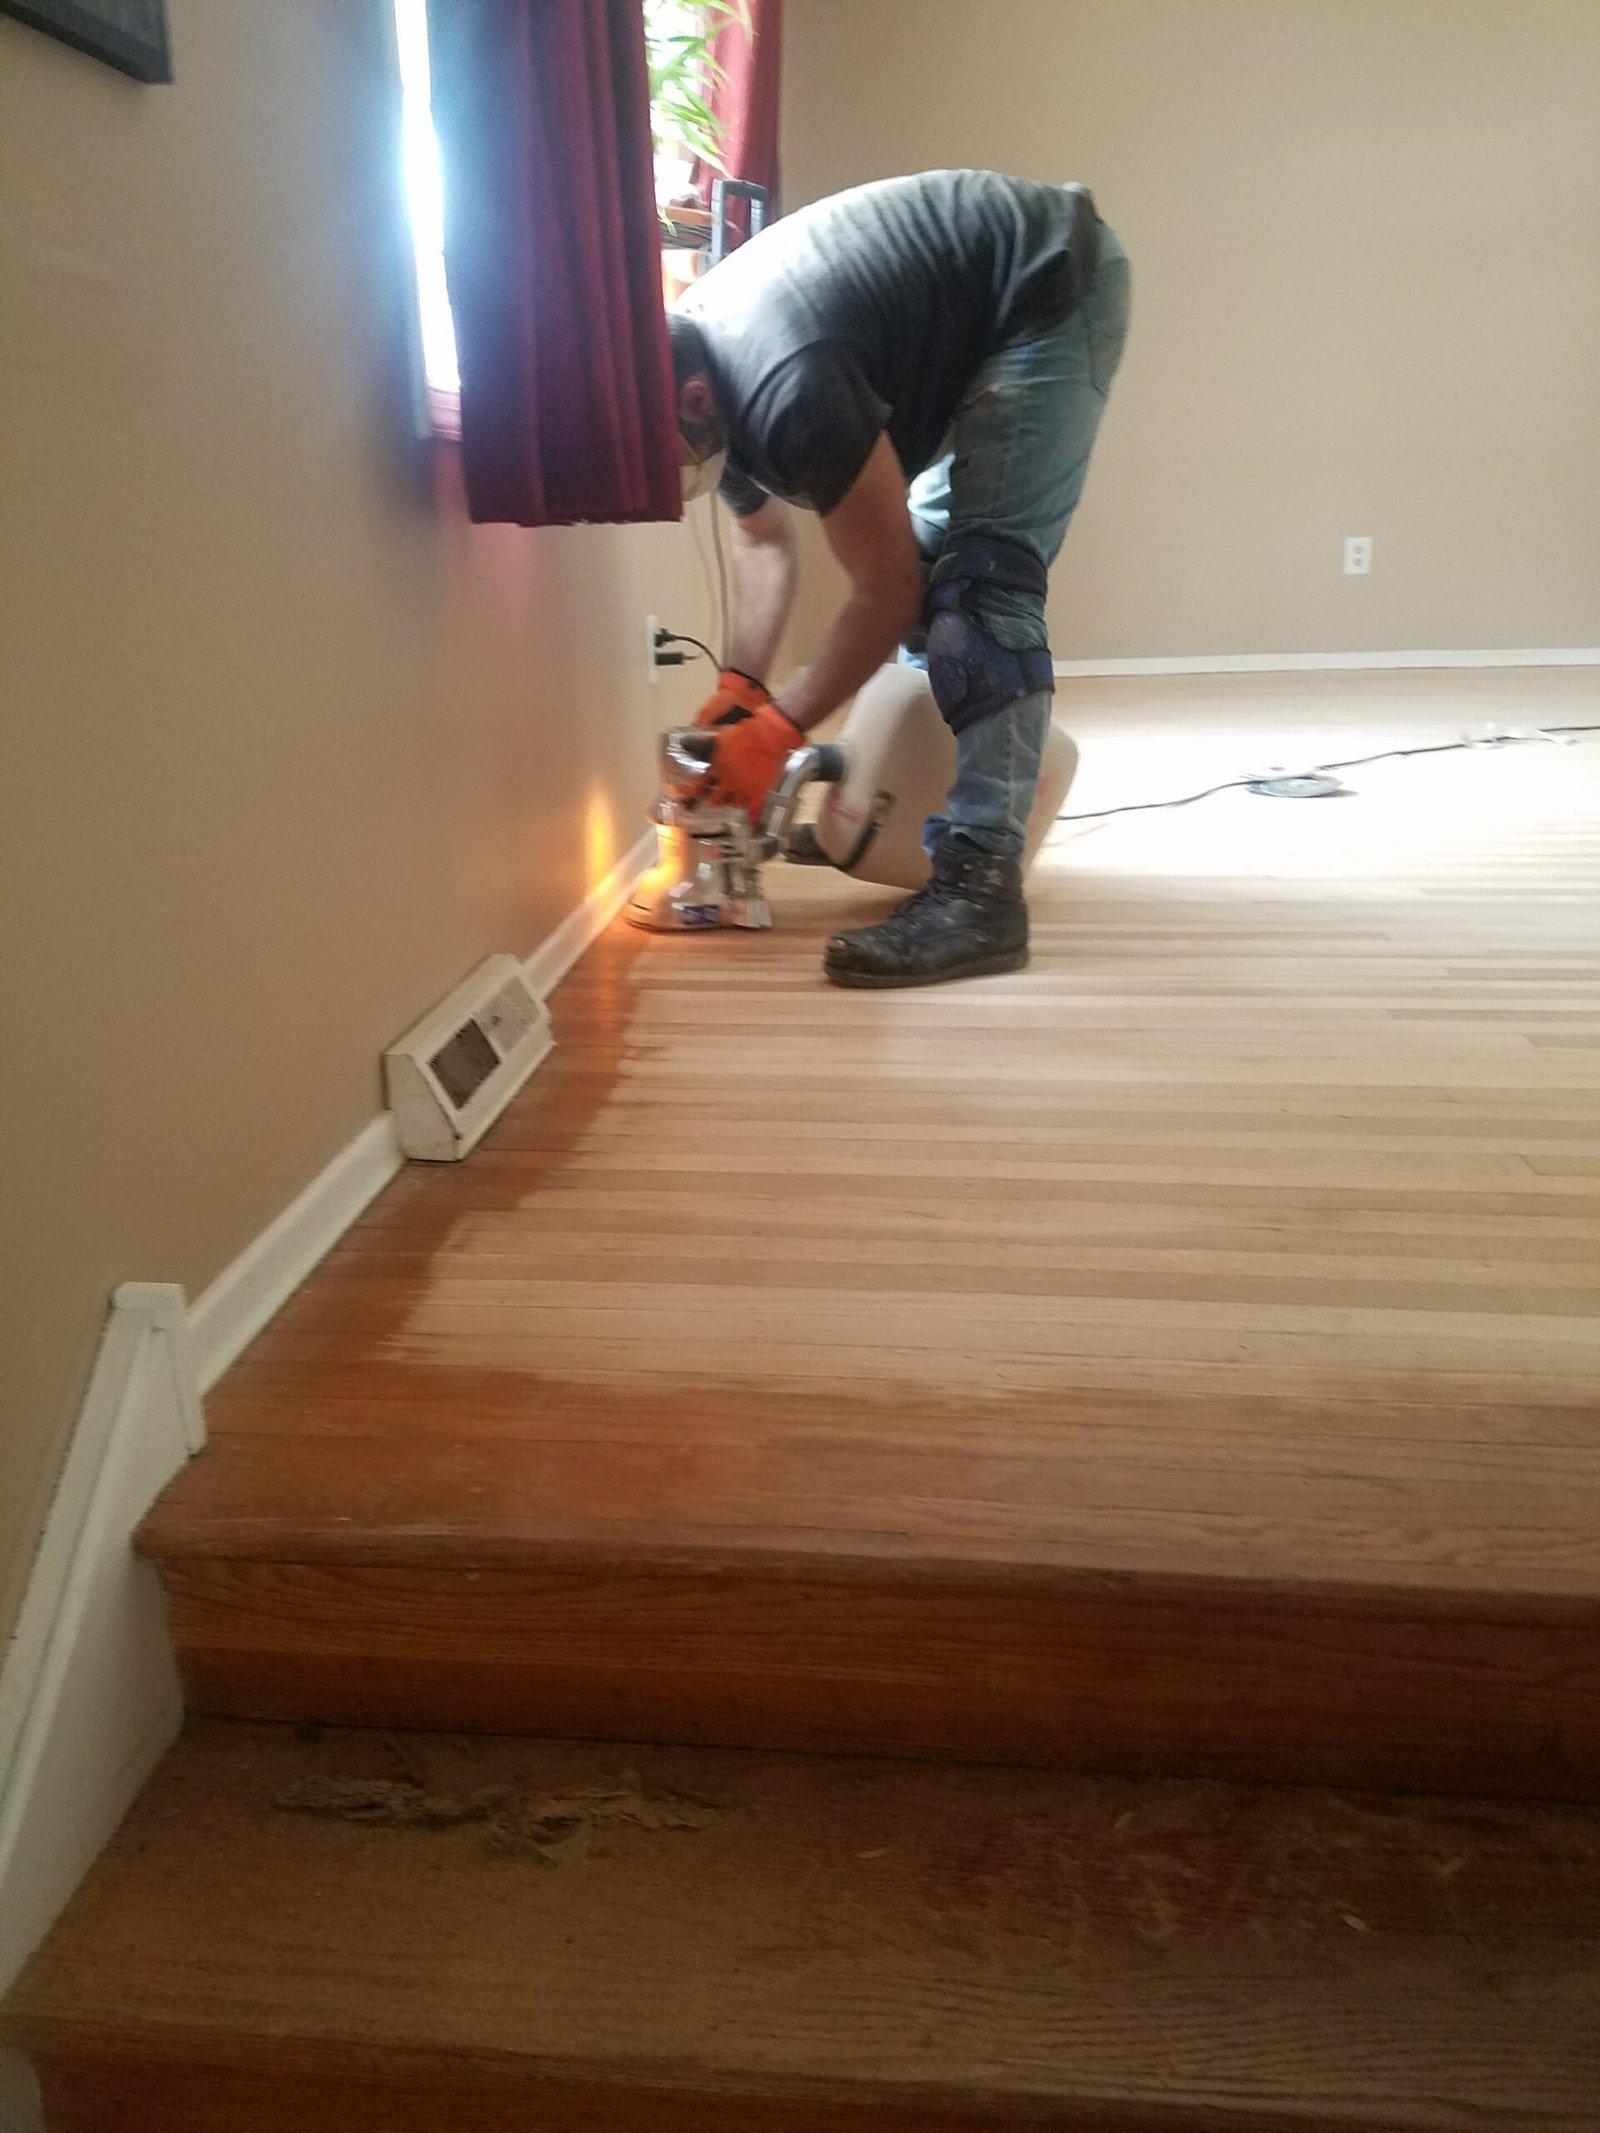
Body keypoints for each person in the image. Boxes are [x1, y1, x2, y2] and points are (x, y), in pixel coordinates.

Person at [669, 168, 1130, 987]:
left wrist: (776, 733)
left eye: (664, 459)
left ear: (697, 400)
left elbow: (884, 598)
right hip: (981, 298)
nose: (670, 475)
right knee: (923, 558)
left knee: (978, 588)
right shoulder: (706, 394)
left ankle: (982, 889)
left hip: (1045, 283)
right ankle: (906, 830)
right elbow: (765, 546)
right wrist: (741, 686)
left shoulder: (781, 384)